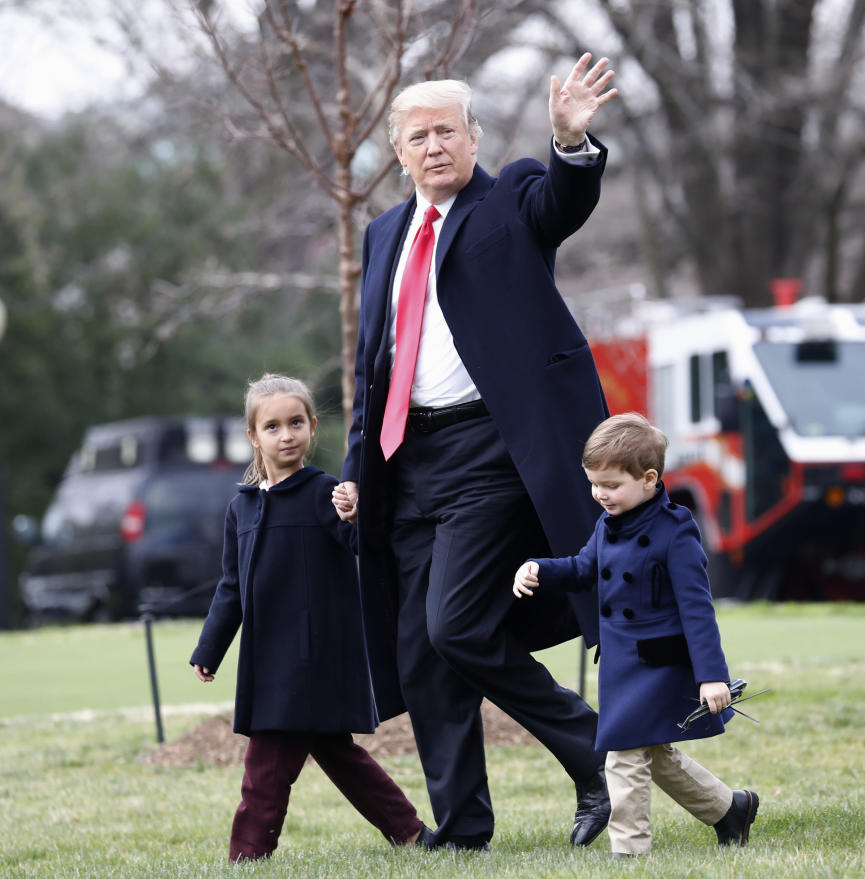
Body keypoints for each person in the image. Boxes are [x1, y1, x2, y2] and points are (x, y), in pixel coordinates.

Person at [331, 54, 617, 850]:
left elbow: (564, 200)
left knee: (456, 623)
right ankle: (462, 830)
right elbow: (372, 364)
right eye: (417, 136)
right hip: (405, 460)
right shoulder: (384, 232)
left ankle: (595, 749)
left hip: (492, 453)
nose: (433, 147)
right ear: (398, 150)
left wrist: (570, 142)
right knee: (421, 650)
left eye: (446, 131)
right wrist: (358, 469)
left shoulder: (511, 200)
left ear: (474, 137)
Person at [190, 374, 426, 863]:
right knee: (338, 754)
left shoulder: (327, 495)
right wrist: (210, 647)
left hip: (314, 657)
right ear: (254, 436)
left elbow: (362, 549)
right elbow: (232, 586)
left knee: (267, 763)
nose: (286, 435)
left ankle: (247, 857)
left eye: (296, 423)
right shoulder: (243, 507)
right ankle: (410, 833)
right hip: (270, 658)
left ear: (313, 427)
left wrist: (353, 517)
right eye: (272, 427)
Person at [512, 413, 760, 858]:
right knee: (654, 754)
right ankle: (730, 809)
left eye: (610, 485)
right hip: (622, 663)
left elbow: (697, 609)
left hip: (661, 663)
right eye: (594, 484)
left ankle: (629, 853)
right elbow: (582, 569)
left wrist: (712, 676)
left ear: (649, 479)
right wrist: (539, 569)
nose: (600, 495)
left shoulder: (676, 531)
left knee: (623, 756)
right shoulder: (607, 526)